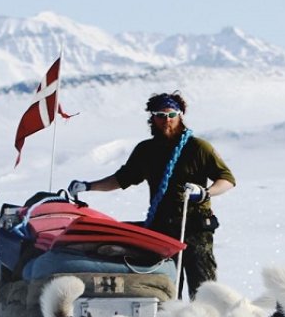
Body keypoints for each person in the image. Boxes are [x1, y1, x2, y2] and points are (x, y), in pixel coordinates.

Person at [68, 92, 235, 299]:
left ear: (180, 116)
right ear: (152, 118)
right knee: (165, 288)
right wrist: (88, 186)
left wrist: (205, 192)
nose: (167, 120)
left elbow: (227, 179)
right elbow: (121, 179)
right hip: (161, 229)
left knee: (203, 289)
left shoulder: (198, 148)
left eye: (172, 115)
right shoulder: (146, 150)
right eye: (161, 115)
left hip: (194, 227)